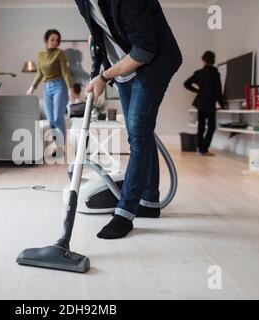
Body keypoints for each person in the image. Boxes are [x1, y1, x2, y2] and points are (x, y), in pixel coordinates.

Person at [75, 0, 182, 239]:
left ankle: (125, 213)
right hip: (124, 64)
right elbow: (99, 22)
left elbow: (144, 51)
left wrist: (103, 77)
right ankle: (150, 202)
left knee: (138, 133)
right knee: (141, 132)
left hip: (152, 62)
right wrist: (96, 35)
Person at [27, 29, 74, 155]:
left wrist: (70, 89)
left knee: (58, 117)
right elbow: (40, 73)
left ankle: (61, 146)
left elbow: (65, 72)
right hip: (47, 87)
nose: (55, 42)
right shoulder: (40, 55)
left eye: (57, 40)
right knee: (51, 119)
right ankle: (56, 143)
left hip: (59, 86)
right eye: (52, 39)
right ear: (46, 40)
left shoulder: (60, 53)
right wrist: (33, 86)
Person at [184, 51, 225, 156]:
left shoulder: (199, 73)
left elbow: (186, 84)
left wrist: (197, 91)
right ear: (214, 61)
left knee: (201, 126)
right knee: (211, 127)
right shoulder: (215, 73)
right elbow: (218, 91)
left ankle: (200, 148)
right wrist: (223, 105)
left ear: (203, 60)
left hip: (200, 102)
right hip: (210, 103)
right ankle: (204, 149)